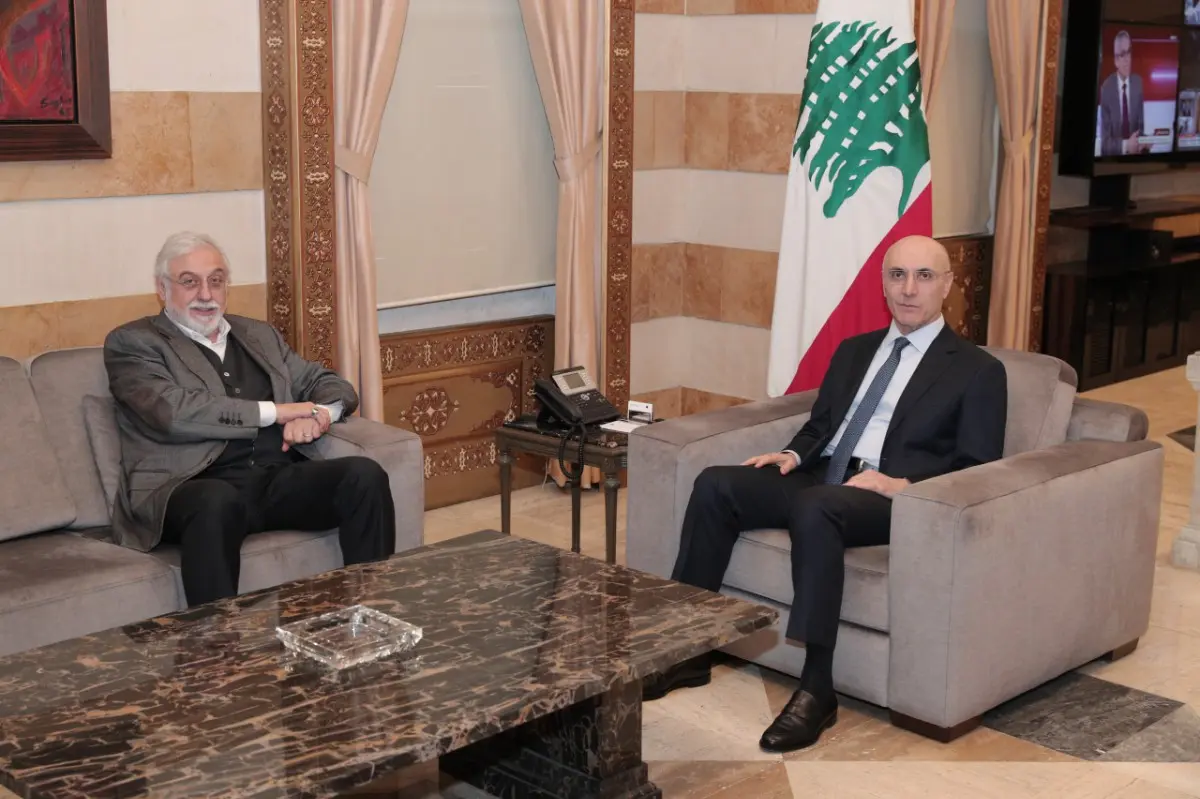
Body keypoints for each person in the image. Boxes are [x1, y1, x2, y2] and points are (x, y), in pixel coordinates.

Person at [644, 235, 1008, 753]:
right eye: (898, 275)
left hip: (895, 496)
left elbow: (977, 468)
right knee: (717, 484)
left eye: (924, 276)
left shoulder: (977, 370)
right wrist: (793, 455)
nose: (909, 289)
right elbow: (822, 426)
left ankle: (817, 688)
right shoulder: (855, 350)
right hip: (823, 476)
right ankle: (689, 650)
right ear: (883, 284)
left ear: (947, 285)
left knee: (816, 506)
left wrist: (898, 485)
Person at [104, 231, 396, 607]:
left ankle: (370, 613)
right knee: (216, 501)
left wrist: (320, 415)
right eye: (189, 282)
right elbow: (172, 412)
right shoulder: (134, 343)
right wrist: (276, 411)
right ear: (162, 288)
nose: (206, 294)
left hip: (271, 480)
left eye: (216, 280)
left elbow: (329, 383)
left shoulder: (259, 335)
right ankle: (216, 638)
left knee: (363, 476)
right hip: (185, 487)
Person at [1099, 30, 1148, 156]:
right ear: (1116, 61)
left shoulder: (1138, 84)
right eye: (1122, 54)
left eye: (1129, 52)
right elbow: (1105, 144)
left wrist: (1144, 142)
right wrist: (1126, 146)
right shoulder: (1106, 89)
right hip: (1114, 162)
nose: (1127, 59)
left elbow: (1140, 130)